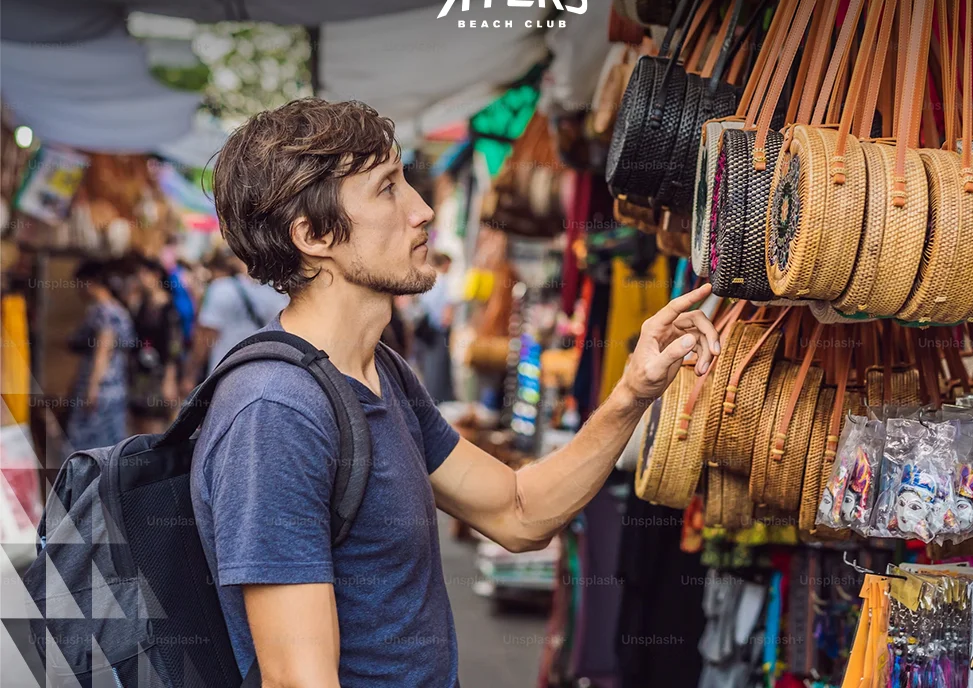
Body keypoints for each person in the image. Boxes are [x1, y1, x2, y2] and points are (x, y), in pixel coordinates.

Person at [192, 98, 719, 688]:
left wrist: (632, 392)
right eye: (387, 189)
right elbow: (298, 681)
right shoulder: (275, 412)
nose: (422, 211)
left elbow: (518, 513)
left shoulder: (380, 371)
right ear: (314, 235)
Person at [179, 246, 286, 395]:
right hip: (264, 379)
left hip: (225, 377)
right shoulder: (277, 292)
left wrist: (189, 375)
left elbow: (205, 338)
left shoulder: (220, 289)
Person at [64, 260, 136, 454]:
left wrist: (92, 388)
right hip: (115, 386)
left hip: (100, 389)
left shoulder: (103, 311)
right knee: (110, 447)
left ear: (89, 282)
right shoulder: (118, 310)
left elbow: (102, 351)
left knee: (86, 447)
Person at [126, 255, 183, 435]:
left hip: (159, 374)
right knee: (138, 423)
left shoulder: (169, 308)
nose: (140, 279)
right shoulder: (140, 305)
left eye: (144, 274)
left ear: (156, 275)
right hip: (139, 372)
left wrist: (170, 378)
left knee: (154, 425)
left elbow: (174, 346)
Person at [413, 250, 456, 402]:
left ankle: (430, 396)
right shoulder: (443, 281)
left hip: (426, 330)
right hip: (439, 330)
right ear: (445, 264)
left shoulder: (428, 279)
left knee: (428, 366)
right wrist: (447, 322)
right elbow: (447, 308)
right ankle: (437, 398)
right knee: (438, 366)